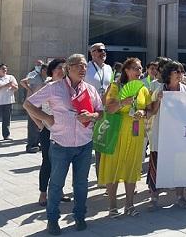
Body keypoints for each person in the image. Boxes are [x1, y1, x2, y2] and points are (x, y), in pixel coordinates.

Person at [24, 54, 103, 235]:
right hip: (61, 144)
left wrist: (92, 116)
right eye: (79, 66)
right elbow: (28, 104)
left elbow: (101, 112)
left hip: (84, 143)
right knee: (56, 185)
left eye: (85, 66)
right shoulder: (54, 88)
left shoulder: (90, 90)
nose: (83, 69)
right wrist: (46, 118)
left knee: (81, 184)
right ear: (69, 67)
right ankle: (52, 220)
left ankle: (80, 216)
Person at [99, 58, 151, 217]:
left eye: (140, 68)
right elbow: (108, 108)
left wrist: (143, 112)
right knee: (113, 167)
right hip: (117, 132)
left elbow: (149, 110)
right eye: (135, 68)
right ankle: (112, 206)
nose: (139, 71)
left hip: (135, 133)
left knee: (132, 167)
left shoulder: (143, 88)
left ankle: (129, 205)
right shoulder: (115, 87)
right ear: (126, 70)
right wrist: (123, 102)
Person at [23, 58, 70, 207]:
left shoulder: (68, 87)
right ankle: (43, 193)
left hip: (63, 130)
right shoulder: (46, 86)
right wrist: (40, 124)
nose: (61, 71)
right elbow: (29, 106)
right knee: (48, 162)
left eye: (64, 68)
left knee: (62, 162)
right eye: (58, 68)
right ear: (52, 70)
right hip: (48, 131)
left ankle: (59, 190)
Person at [147, 60, 186, 209]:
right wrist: (158, 101)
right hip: (160, 133)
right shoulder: (158, 88)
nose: (180, 75)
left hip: (179, 135)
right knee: (156, 165)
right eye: (176, 72)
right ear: (168, 74)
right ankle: (153, 198)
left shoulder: (185, 89)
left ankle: (180, 196)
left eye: (181, 72)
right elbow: (151, 111)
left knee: (179, 164)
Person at [85, 42, 113, 181]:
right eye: (99, 50)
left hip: (106, 112)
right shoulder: (86, 68)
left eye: (104, 50)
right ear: (92, 53)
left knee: (103, 147)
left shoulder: (108, 68)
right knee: (87, 148)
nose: (103, 53)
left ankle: (103, 178)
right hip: (89, 111)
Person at [22, 60, 47, 153]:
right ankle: (31, 145)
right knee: (33, 125)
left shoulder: (45, 78)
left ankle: (37, 143)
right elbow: (22, 82)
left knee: (39, 124)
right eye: (38, 65)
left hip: (41, 104)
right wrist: (30, 90)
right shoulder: (34, 75)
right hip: (32, 103)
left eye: (40, 64)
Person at [0, 64, 19, 142]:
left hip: (8, 101)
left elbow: (16, 88)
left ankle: (6, 135)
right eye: (3, 69)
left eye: (6, 69)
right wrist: (5, 85)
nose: (5, 70)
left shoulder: (11, 77)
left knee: (7, 120)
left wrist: (12, 85)